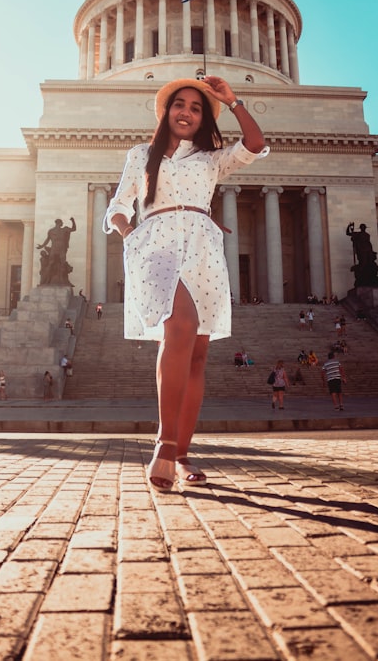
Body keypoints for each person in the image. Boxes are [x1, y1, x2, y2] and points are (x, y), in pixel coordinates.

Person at [103, 75, 267, 492]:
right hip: (155, 245)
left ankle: (181, 453)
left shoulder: (211, 159)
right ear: (166, 111)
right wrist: (129, 233)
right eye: (180, 104)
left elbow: (253, 144)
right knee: (177, 328)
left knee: (196, 352)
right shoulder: (142, 154)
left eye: (196, 108)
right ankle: (165, 442)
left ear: (202, 119)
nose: (187, 112)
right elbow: (120, 205)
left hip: (202, 249)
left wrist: (233, 101)